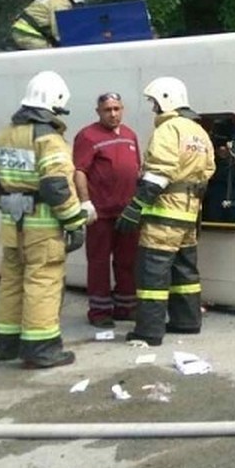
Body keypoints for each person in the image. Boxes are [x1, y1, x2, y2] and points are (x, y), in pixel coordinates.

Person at [0, 71, 89, 368]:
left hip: (12, 225)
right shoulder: (49, 139)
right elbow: (57, 187)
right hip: (43, 229)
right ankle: (41, 349)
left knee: (11, 282)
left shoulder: (4, 135)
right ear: (55, 102)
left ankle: (7, 344)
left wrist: (11, 205)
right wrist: (74, 223)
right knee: (42, 283)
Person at [117, 77, 216, 347]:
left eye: (154, 103)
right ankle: (187, 321)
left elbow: (159, 174)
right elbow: (208, 172)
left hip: (165, 214)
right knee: (185, 271)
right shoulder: (198, 132)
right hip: (189, 215)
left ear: (165, 99)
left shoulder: (168, 129)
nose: (153, 109)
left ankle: (148, 331)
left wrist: (134, 208)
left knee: (152, 271)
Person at [72, 91, 142, 329]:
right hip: (101, 213)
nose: (113, 114)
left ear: (123, 109)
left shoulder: (130, 135)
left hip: (127, 212)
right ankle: (100, 311)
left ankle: (126, 306)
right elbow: (79, 170)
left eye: (117, 108)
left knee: (127, 261)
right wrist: (85, 202)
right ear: (98, 112)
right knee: (99, 261)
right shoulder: (87, 136)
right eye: (107, 110)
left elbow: (137, 170)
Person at [9, 0, 85, 50]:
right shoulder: (63, 3)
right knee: (51, 56)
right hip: (30, 33)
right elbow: (58, 27)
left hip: (20, 30)